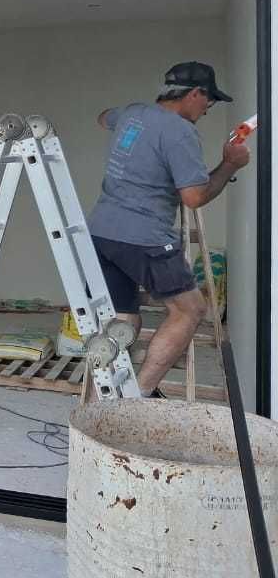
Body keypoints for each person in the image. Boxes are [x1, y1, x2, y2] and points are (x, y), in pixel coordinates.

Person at [89, 61, 249, 397]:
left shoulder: (132, 113)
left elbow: (103, 117)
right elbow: (194, 197)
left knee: (125, 320)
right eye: (210, 100)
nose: (208, 108)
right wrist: (229, 165)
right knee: (190, 309)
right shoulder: (181, 132)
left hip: (102, 232)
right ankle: (137, 398)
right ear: (194, 93)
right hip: (144, 237)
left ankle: (116, 389)